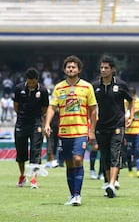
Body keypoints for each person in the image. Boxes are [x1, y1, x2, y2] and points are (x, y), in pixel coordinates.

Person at [44, 55, 97, 206]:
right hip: (64, 132)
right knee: (68, 162)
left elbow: (93, 110)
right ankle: (72, 194)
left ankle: (77, 195)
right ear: (64, 69)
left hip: (80, 131)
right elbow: (52, 107)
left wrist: (92, 129)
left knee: (78, 159)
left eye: (73, 67)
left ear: (79, 70)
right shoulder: (59, 87)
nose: (71, 69)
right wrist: (47, 123)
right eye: (68, 67)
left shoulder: (87, 87)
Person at [92, 56, 134, 198]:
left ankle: (111, 184)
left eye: (106, 68)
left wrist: (131, 115)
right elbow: (90, 105)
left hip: (118, 124)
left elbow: (131, 100)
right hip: (101, 125)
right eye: (101, 68)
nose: (103, 70)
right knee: (104, 155)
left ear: (112, 69)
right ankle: (109, 181)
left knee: (115, 154)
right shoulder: (95, 86)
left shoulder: (121, 85)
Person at [14, 68, 49, 189]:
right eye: (29, 82)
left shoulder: (43, 90)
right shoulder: (19, 88)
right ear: (26, 80)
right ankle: (22, 175)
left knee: (35, 151)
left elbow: (45, 108)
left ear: (37, 80)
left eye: (33, 82)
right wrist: (23, 116)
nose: (31, 84)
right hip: (21, 124)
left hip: (36, 123)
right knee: (21, 152)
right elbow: (16, 106)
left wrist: (41, 123)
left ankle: (34, 178)